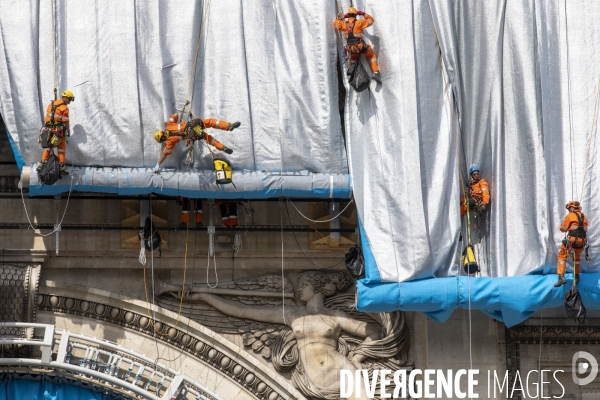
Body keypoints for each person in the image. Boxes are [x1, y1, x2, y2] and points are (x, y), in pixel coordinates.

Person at [182, 271, 383, 399]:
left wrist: (357, 356)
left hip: (342, 370)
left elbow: (373, 331)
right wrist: (205, 297)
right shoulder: (293, 314)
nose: (299, 289)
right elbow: (240, 310)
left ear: (317, 289)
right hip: (314, 381)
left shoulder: (335, 316)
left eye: (304, 285)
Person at [153, 114, 240, 173]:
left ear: (162, 138)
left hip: (192, 135)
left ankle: (222, 147)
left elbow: (164, 154)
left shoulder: (169, 142)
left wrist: (158, 164)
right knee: (210, 122)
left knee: (207, 138)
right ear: (161, 132)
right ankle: (228, 126)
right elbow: (175, 115)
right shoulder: (169, 125)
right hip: (193, 124)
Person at [333, 6, 381, 83]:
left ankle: (351, 69)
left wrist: (342, 17)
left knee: (353, 57)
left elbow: (335, 24)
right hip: (360, 46)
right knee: (371, 56)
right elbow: (371, 20)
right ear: (356, 15)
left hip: (350, 48)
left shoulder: (343, 24)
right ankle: (375, 73)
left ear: (348, 15)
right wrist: (362, 13)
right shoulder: (360, 22)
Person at [36, 90, 75, 175]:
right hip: (58, 130)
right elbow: (66, 121)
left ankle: (41, 164)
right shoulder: (64, 108)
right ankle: (61, 167)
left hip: (47, 130)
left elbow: (49, 117)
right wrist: (67, 131)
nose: (69, 102)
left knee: (48, 147)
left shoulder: (51, 104)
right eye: (69, 100)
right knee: (61, 147)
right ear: (65, 98)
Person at [555, 201, 588, 287]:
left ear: (572, 208)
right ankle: (576, 277)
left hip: (572, 240)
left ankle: (561, 277)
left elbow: (563, 229)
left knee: (562, 256)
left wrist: (561, 225)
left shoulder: (570, 216)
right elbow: (584, 229)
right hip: (582, 241)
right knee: (576, 259)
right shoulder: (584, 217)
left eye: (569, 209)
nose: (569, 210)